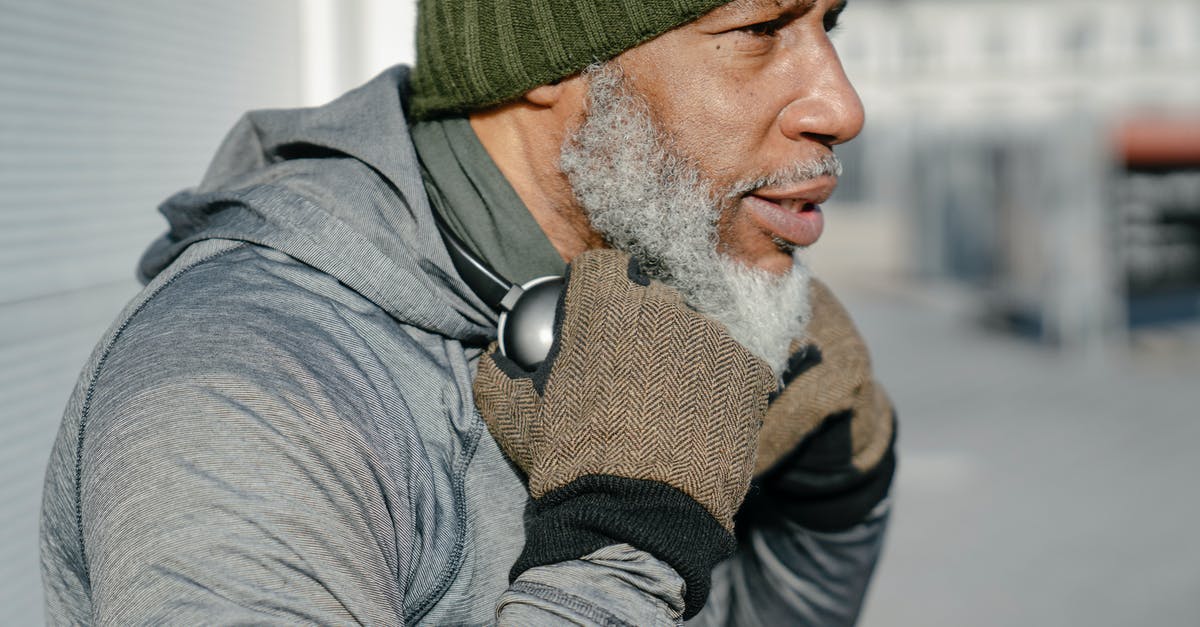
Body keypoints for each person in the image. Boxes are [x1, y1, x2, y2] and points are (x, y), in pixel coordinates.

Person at [40, 0, 897, 624]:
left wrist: (827, 505)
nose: (842, 107)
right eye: (760, 30)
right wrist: (623, 541)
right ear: (551, 64)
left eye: (830, 24)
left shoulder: (650, 304)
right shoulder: (238, 399)